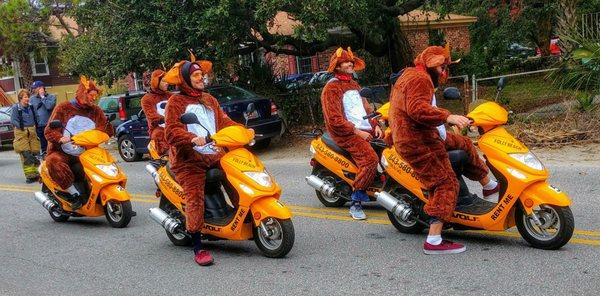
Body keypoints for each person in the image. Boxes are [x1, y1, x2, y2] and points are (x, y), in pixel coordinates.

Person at [388, 46, 498, 255]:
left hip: (428, 135)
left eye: (445, 66)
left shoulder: (413, 74)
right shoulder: (419, 78)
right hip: (418, 142)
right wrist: (447, 116)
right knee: (446, 183)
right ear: (430, 64)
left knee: (464, 144)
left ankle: (488, 185)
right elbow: (416, 109)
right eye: (441, 66)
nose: (444, 71)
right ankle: (434, 239)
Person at [163, 58, 239, 266]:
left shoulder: (209, 99)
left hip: (213, 153)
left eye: (201, 75)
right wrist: (190, 138)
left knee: (236, 175)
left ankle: (242, 216)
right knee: (194, 196)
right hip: (189, 159)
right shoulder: (176, 102)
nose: (201, 78)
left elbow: (223, 122)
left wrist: (241, 130)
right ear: (186, 79)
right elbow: (171, 132)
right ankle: (197, 245)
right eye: (196, 75)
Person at [320, 47, 383, 220]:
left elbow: (366, 107)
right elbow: (334, 119)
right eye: (346, 62)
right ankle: (356, 200)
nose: (350, 64)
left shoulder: (353, 84)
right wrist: (357, 132)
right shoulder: (331, 88)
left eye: (351, 62)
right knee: (370, 160)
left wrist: (375, 124)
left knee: (391, 144)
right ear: (337, 66)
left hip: (364, 128)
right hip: (346, 133)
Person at [44, 76, 113, 210]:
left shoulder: (96, 111)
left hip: (87, 151)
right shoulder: (64, 108)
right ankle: (73, 194)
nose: (94, 98)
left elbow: (105, 129)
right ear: (83, 93)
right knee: (53, 161)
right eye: (91, 95)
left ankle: (106, 194)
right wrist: (59, 138)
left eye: (95, 96)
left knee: (106, 163)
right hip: (63, 151)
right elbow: (49, 131)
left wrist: (108, 127)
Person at [10, 89, 41, 183]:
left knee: (35, 153)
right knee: (26, 155)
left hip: (32, 130)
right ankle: (30, 176)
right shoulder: (16, 107)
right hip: (21, 132)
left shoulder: (32, 107)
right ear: (20, 98)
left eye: (28, 96)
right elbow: (13, 120)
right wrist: (22, 127)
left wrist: (36, 125)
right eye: (25, 97)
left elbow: (37, 117)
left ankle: (37, 174)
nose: (27, 99)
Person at [141, 70, 171, 157]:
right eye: (163, 81)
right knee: (158, 134)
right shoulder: (147, 99)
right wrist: (167, 119)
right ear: (156, 82)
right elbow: (152, 116)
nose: (167, 83)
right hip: (158, 128)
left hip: (173, 126)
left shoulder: (172, 96)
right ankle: (167, 158)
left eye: (167, 80)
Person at [29, 81, 56, 156]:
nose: (34, 90)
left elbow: (49, 106)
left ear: (42, 88)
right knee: (43, 146)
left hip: (50, 125)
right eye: (33, 89)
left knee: (52, 144)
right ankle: (45, 160)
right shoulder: (32, 99)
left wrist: (43, 97)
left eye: (35, 88)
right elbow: (31, 112)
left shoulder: (51, 97)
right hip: (39, 126)